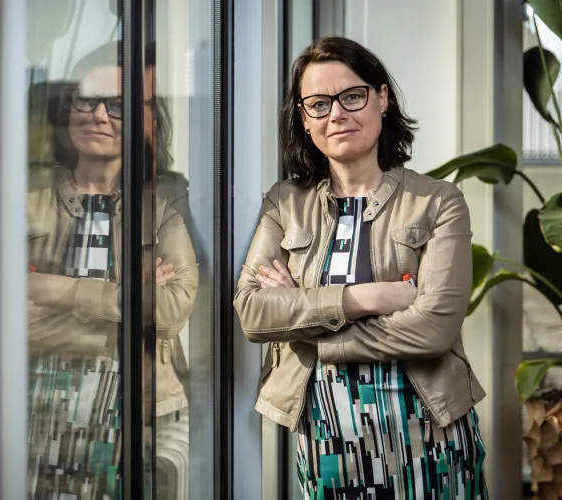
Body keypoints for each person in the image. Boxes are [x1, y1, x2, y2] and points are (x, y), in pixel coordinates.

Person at [234, 36, 488, 499]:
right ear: (304, 120)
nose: (336, 113)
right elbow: (252, 312)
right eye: (318, 103)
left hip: (426, 433)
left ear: (382, 99)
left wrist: (304, 324)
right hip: (324, 434)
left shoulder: (437, 202)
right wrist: (365, 297)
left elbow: (434, 330)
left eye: (352, 96)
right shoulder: (284, 203)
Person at [26, 41, 198, 499]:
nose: (98, 115)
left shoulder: (164, 201)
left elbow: (171, 311)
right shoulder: (27, 199)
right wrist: (124, 301)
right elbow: (2, 316)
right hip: (39, 410)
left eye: (118, 104)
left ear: (144, 118)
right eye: (86, 99)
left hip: (139, 410)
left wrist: (49, 287)